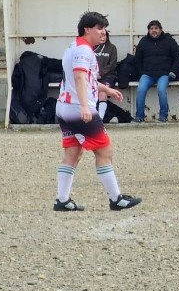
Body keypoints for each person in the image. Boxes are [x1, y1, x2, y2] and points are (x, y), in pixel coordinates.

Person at [53, 11, 141, 212]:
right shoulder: (84, 50)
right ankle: (116, 199)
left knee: (72, 152)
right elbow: (79, 77)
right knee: (105, 151)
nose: (104, 33)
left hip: (64, 106)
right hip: (78, 108)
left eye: (105, 29)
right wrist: (85, 105)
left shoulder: (73, 47)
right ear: (87, 29)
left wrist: (106, 89)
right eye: (100, 28)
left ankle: (62, 200)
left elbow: (85, 79)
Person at [134, 20, 179, 122]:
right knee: (140, 90)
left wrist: (173, 72)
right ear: (148, 30)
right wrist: (141, 72)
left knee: (161, 90)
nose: (154, 31)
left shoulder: (169, 40)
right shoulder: (143, 41)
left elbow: (178, 57)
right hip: (147, 74)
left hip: (164, 74)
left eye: (156, 28)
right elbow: (137, 59)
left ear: (161, 30)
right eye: (151, 29)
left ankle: (163, 116)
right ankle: (139, 117)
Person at [94, 29, 118, 121]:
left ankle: (99, 120)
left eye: (104, 36)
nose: (102, 38)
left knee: (102, 94)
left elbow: (112, 64)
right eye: (100, 36)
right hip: (93, 76)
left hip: (107, 76)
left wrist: (101, 73)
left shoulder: (112, 48)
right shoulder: (91, 47)